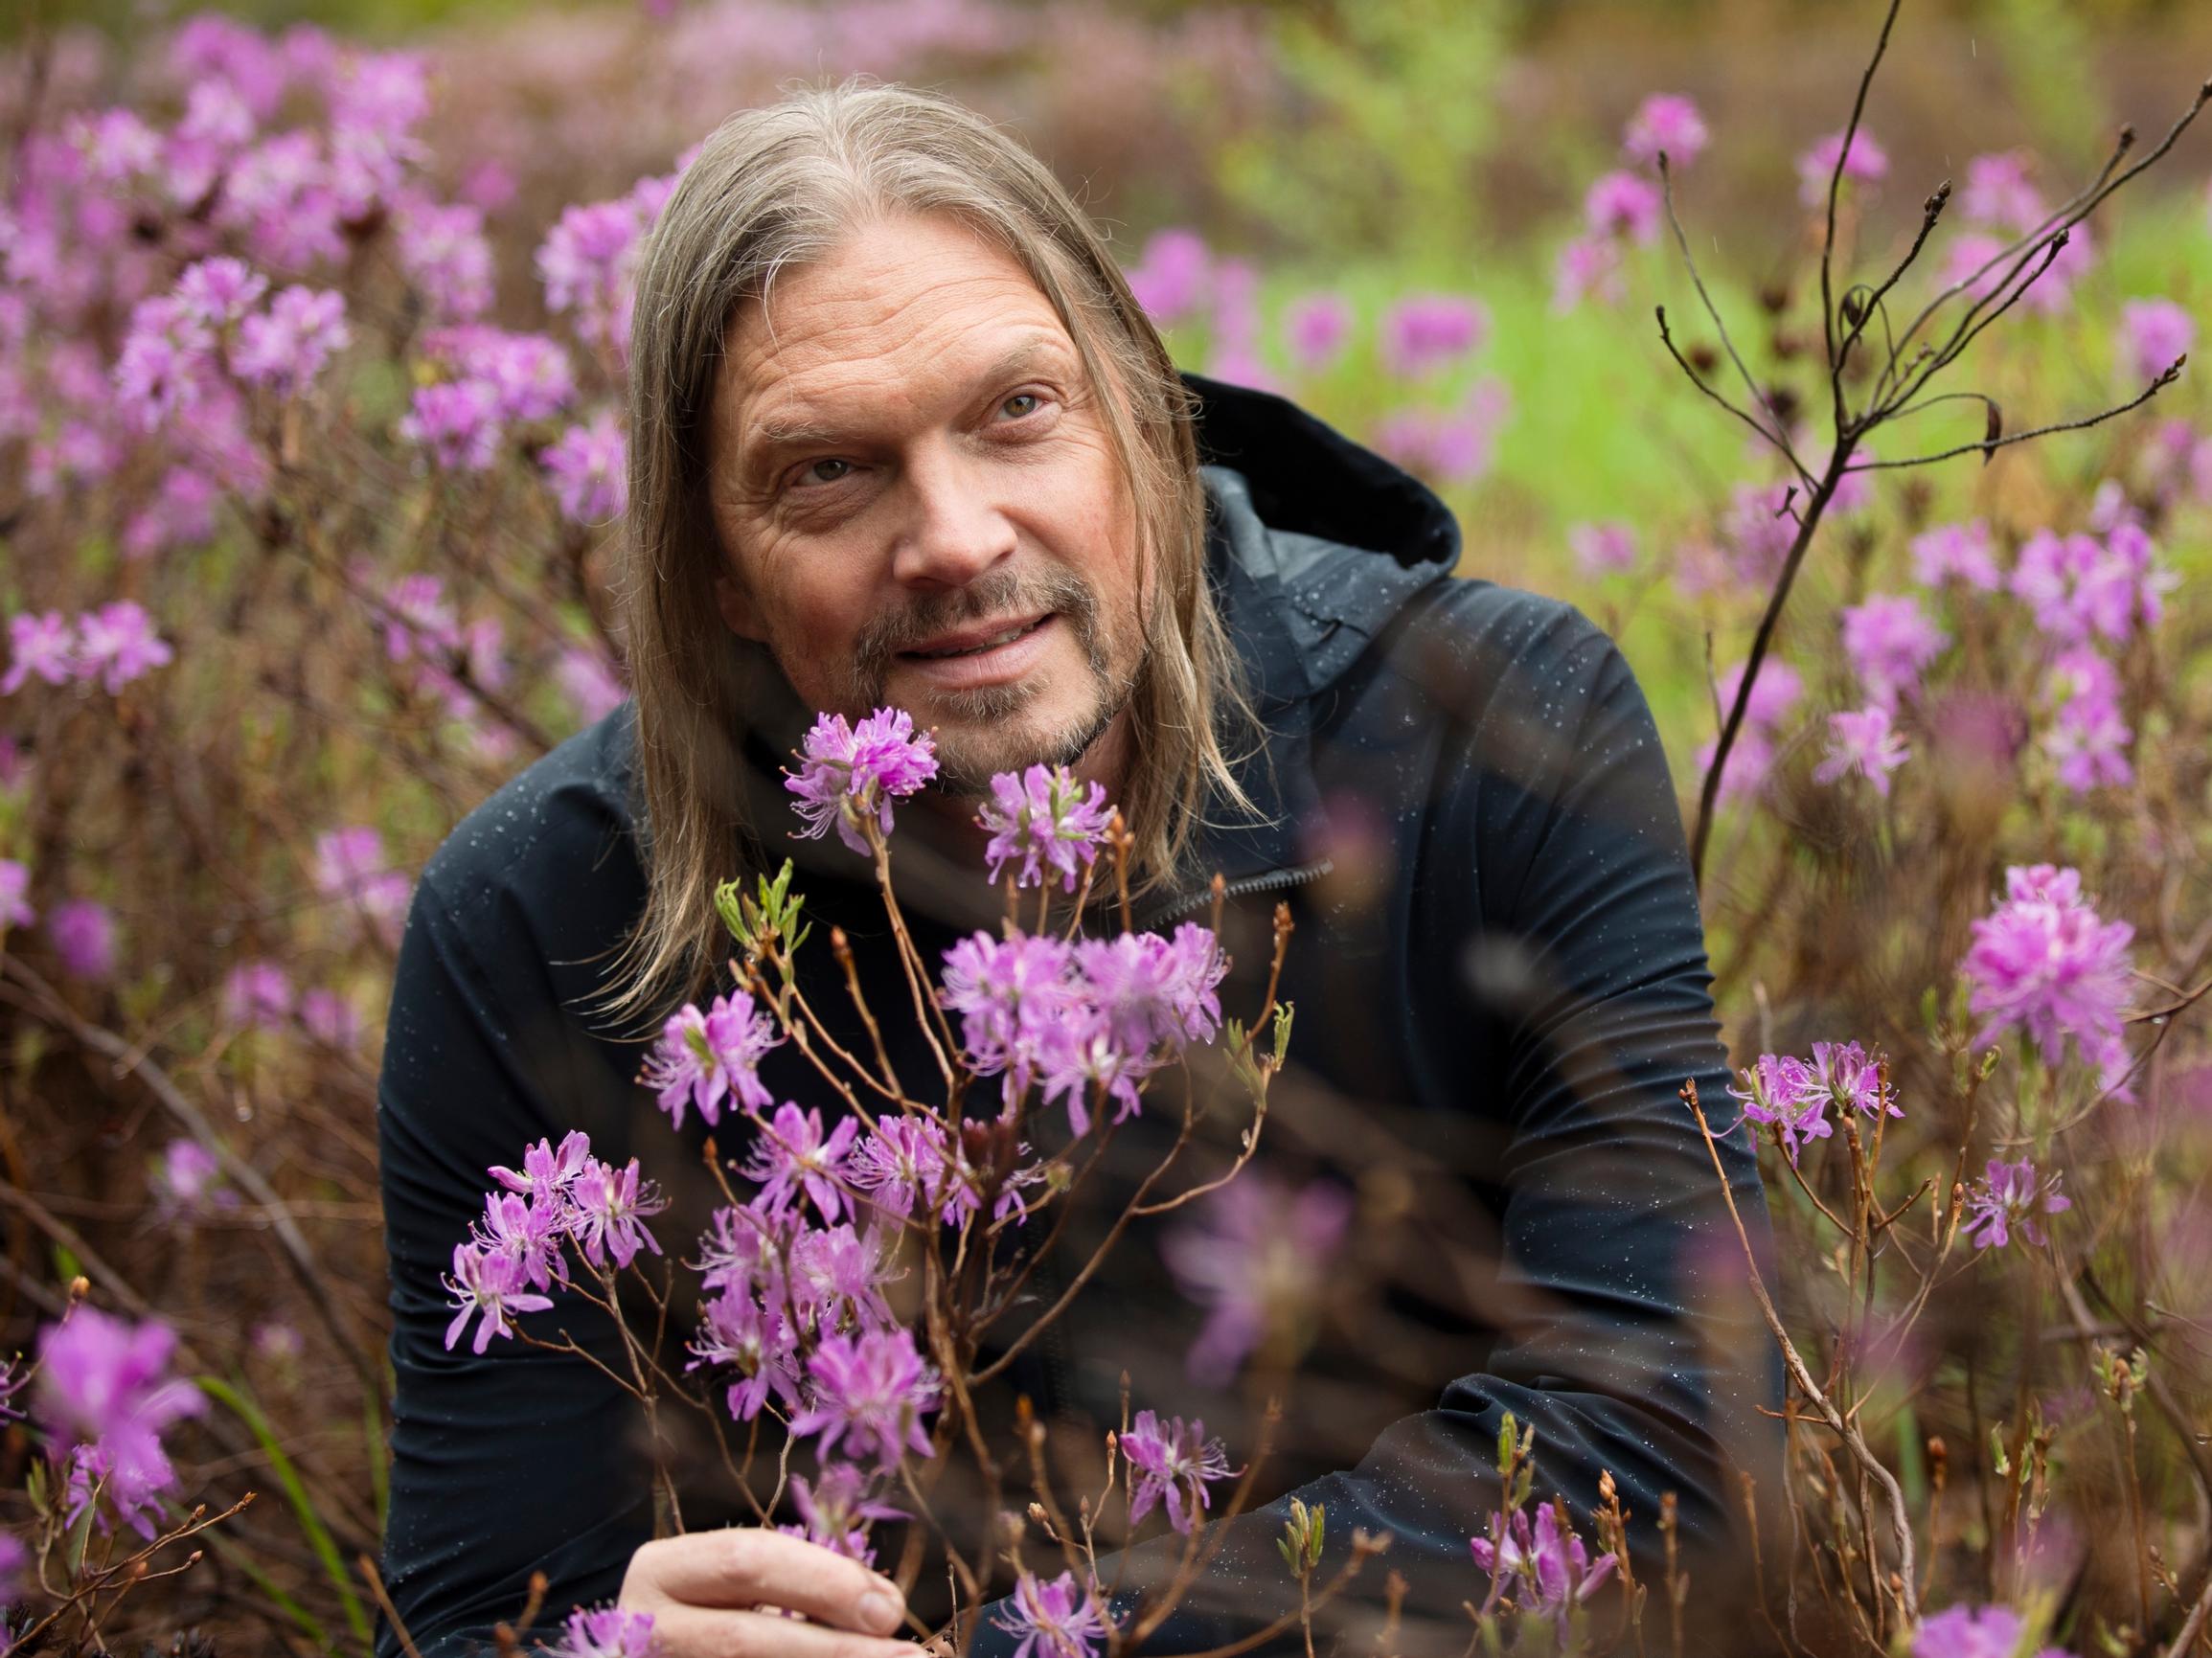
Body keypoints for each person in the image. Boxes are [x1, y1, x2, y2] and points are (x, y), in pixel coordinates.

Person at [376, 82, 1780, 1658]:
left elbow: (1670, 1435)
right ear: (715, 572)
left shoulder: (1491, 731)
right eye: (825, 471)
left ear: (1144, 424)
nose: (955, 537)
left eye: (1017, 409)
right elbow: (473, 1615)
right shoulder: (535, 914)